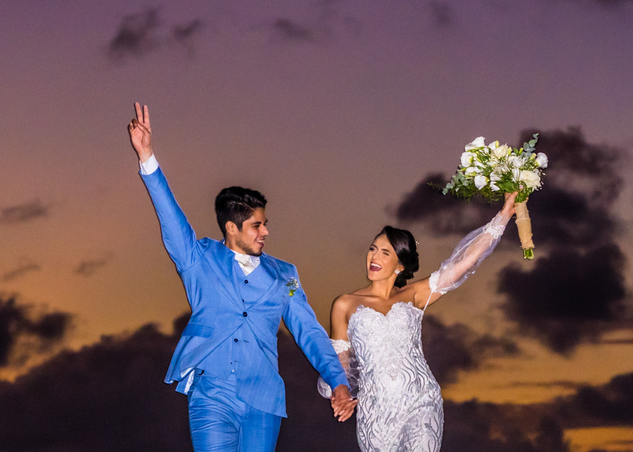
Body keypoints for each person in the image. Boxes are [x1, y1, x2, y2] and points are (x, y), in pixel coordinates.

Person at [127, 103, 355, 452]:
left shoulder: (286, 275)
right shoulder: (198, 258)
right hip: (211, 394)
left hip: (263, 400)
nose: (265, 232)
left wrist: (338, 382)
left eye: (265, 224)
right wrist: (147, 158)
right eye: (256, 225)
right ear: (231, 227)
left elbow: (308, 330)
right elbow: (171, 218)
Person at [321, 193, 516, 452]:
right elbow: (338, 361)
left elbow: (463, 263)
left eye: (384, 252)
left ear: (399, 265)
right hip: (376, 411)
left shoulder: (415, 294)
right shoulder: (344, 304)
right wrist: (341, 393)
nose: (374, 257)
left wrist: (503, 216)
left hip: (421, 401)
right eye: (372, 249)